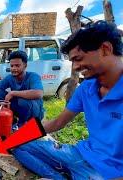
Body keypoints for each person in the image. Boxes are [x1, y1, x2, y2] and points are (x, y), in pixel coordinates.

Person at [12, 21, 123, 179]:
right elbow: (58, 122)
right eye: (72, 61)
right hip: (79, 155)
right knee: (16, 145)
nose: (75, 67)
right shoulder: (86, 88)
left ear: (105, 49)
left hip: (108, 173)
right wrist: (19, 135)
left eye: (78, 59)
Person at [0, 50, 44, 127]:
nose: (13, 68)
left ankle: (23, 125)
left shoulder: (33, 76)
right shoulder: (10, 78)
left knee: (22, 101)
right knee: (0, 92)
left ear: (25, 65)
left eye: (17, 66)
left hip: (34, 112)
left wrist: (13, 93)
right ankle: (11, 120)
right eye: (12, 66)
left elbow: (39, 93)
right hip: (20, 109)